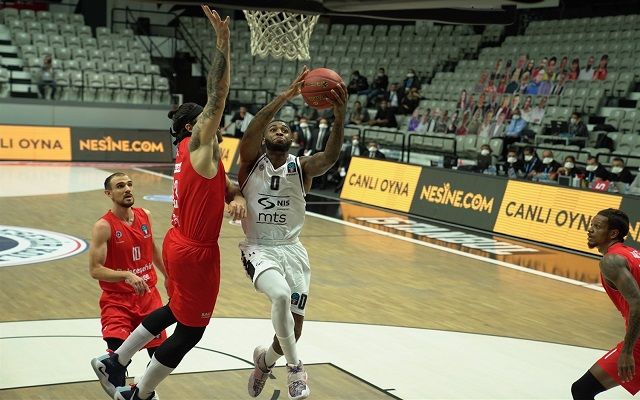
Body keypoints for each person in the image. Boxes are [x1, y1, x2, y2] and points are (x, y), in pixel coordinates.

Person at [90, 7, 247, 400]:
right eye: (211, 121)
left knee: (176, 309)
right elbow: (218, 95)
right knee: (192, 330)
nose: (218, 125)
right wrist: (223, 44)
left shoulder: (192, 155)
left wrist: (238, 195)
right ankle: (140, 394)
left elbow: (224, 186)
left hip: (181, 242)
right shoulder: (200, 145)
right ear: (196, 127)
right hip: (194, 251)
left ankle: (116, 361)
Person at [236, 66, 347, 400]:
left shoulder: (302, 167)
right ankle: (296, 369)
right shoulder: (250, 162)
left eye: (285, 129)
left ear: (292, 139)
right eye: (274, 128)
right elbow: (250, 133)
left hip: (293, 250)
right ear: (265, 137)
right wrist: (283, 98)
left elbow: (330, 156)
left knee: (293, 331)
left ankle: (265, 362)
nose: (280, 130)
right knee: (281, 297)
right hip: (258, 248)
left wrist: (340, 116)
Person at [89, 173, 167, 400]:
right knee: (117, 365)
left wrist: (169, 276)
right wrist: (126, 275)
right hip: (118, 301)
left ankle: (140, 390)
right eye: (120, 186)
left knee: (161, 357)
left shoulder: (145, 216)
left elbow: (152, 248)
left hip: (149, 298)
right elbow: (95, 269)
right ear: (109, 193)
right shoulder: (103, 226)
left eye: (130, 185)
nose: (127, 189)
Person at [571, 209, 640, 399]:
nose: (590, 230)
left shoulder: (611, 261)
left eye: (597, 226)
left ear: (613, 233)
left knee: (582, 390)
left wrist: (627, 351)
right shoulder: (633, 254)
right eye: (591, 225)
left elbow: (637, 303)